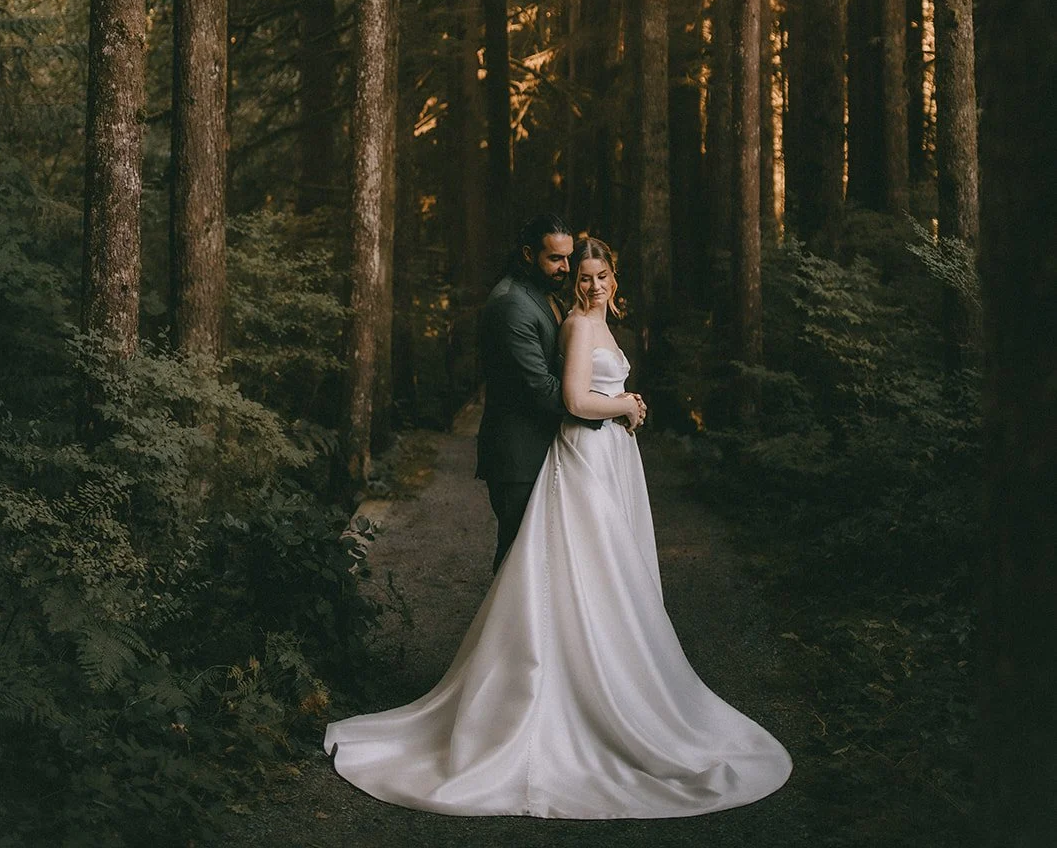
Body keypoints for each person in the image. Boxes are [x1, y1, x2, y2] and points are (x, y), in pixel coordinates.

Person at [323, 232, 793, 819]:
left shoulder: (601, 323)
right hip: (585, 456)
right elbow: (574, 399)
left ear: (614, 278)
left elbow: (599, 386)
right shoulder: (575, 325)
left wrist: (624, 404)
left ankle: (618, 681)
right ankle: (562, 696)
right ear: (575, 282)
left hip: (612, 455)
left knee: (613, 573)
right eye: (584, 277)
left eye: (600, 275)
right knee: (584, 570)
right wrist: (625, 405)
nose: (592, 285)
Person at [474, 212, 645, 572]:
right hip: (518, 455)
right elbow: (542, 387)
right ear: (528, 254)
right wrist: (613, 408)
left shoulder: (545, 295)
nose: (565, 268)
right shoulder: (511, 304)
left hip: (548, 445)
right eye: (555, 258)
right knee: (519, 563)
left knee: (553, 561)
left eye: (568, 258)